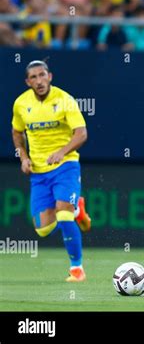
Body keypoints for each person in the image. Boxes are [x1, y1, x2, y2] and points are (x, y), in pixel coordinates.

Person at [11, 60, 92, 282]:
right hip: (38, 172)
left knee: (63, 213)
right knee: (43, 230)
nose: (39, 81)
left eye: (42, 75)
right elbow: (17, 133)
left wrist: (62, 152)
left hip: (65, 166)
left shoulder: (65, 100)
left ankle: (77, 269)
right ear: (28, 82)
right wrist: (23, 158)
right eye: (34, 77)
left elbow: (81, 133)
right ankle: (78, 211)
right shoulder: (20, 104)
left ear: (50, 76)